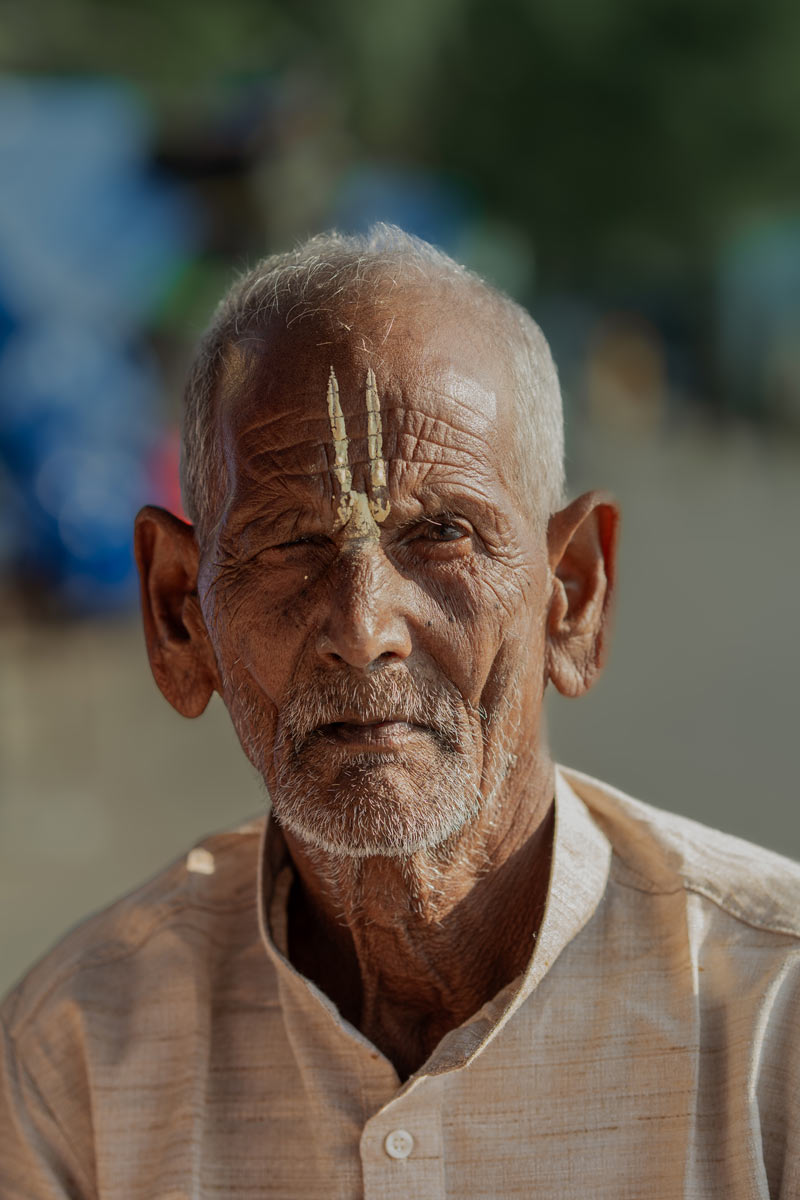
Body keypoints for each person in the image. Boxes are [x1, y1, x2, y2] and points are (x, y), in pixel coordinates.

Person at [1, 226, 798, 1199]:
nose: (364, 624)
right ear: (178, 613)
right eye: (290, 543)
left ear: (572, 595)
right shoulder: (77, 1059)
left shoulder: (773, 1028)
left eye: (443, 533)